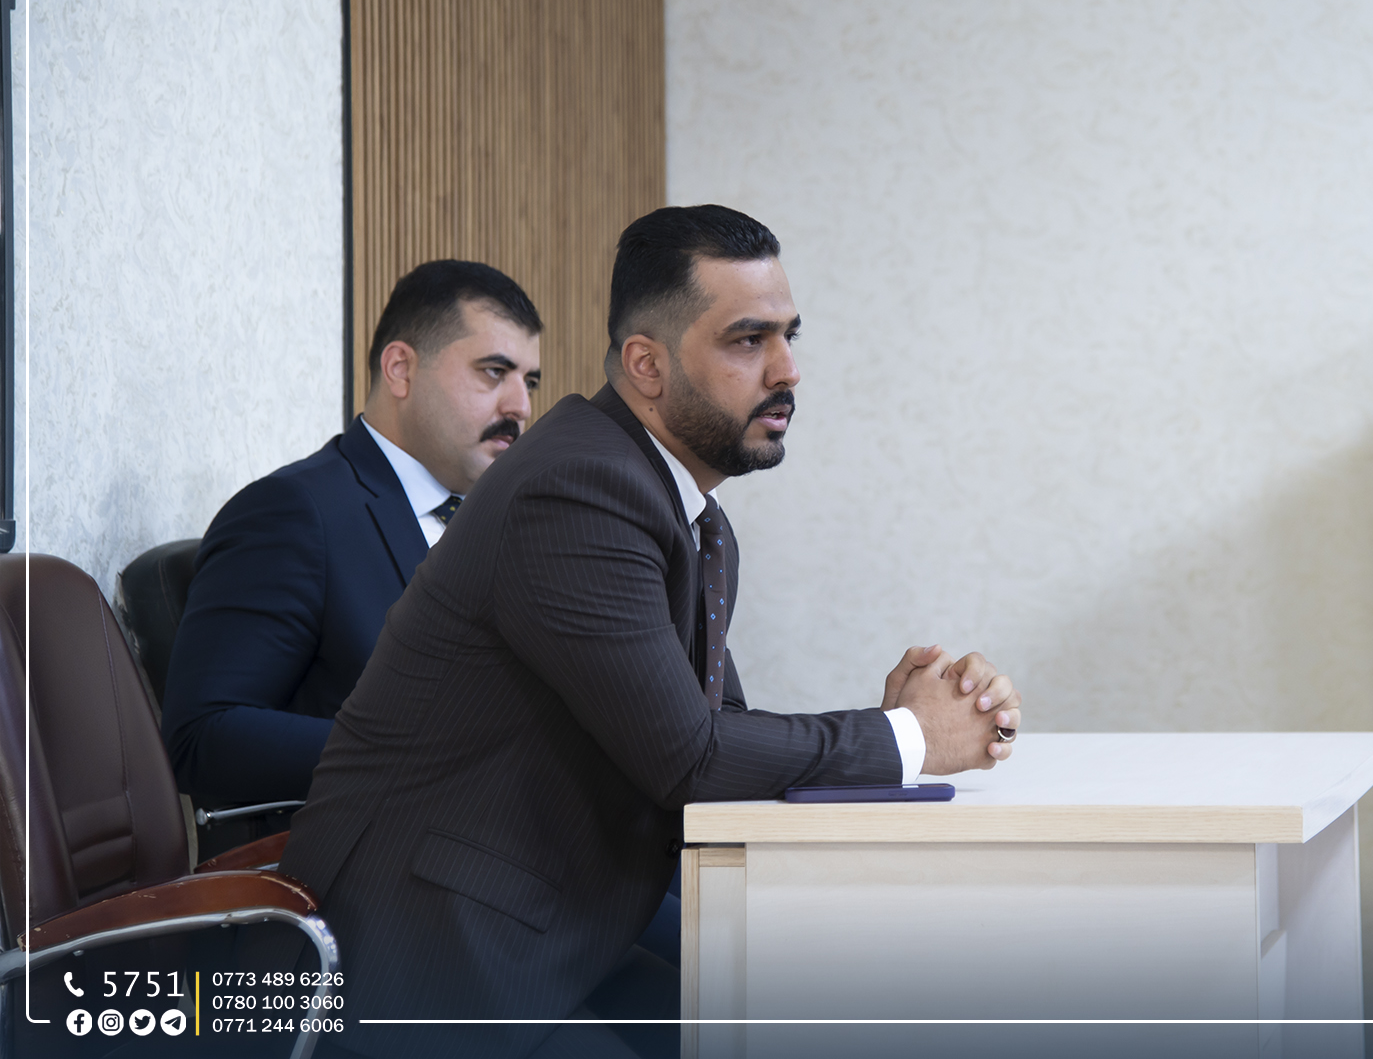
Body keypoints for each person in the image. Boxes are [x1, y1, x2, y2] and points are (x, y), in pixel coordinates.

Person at [280, 206, 1021, 1059]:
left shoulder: (683, 511)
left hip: (548, 923)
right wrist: (910, 738)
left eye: (788, 336)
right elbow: (689, 759)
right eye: (748, 340)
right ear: (647, 365)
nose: (788, 370)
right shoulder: (579, 490)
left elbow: (715, 731)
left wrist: (895, 726)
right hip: (426, 954)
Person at [162, 261, 543, 812]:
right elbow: (201, 738)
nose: (521, 407)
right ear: (400, 369)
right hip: (379, 850)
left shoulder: (504, 522)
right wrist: (427, 755)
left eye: (529, 381)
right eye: (494, 372)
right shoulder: (293, 513)